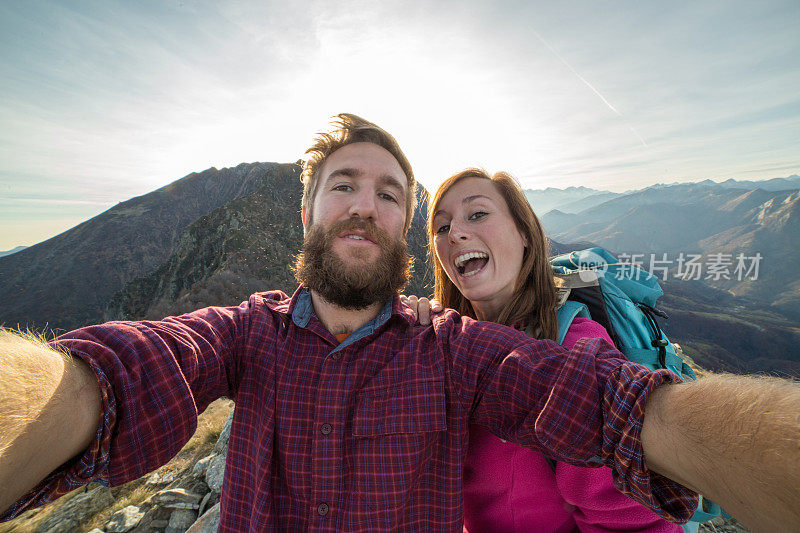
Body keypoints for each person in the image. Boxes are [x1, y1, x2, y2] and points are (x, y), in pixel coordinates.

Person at [0, 114, 798, 531]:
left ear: (402, 226)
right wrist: (53, 396)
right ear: (307, 209)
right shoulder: (245, 334)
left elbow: (613, 406)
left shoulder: (454, 352)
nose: (365, 204)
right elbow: (117, 378)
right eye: (344, 183)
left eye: (390, 194)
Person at [417, 167, 683, 531]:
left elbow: (636, 523)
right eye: (442, 227)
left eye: (477, 214)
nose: (456, 234)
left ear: (524, 234)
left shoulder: (573, 349)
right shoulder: (447, 341)